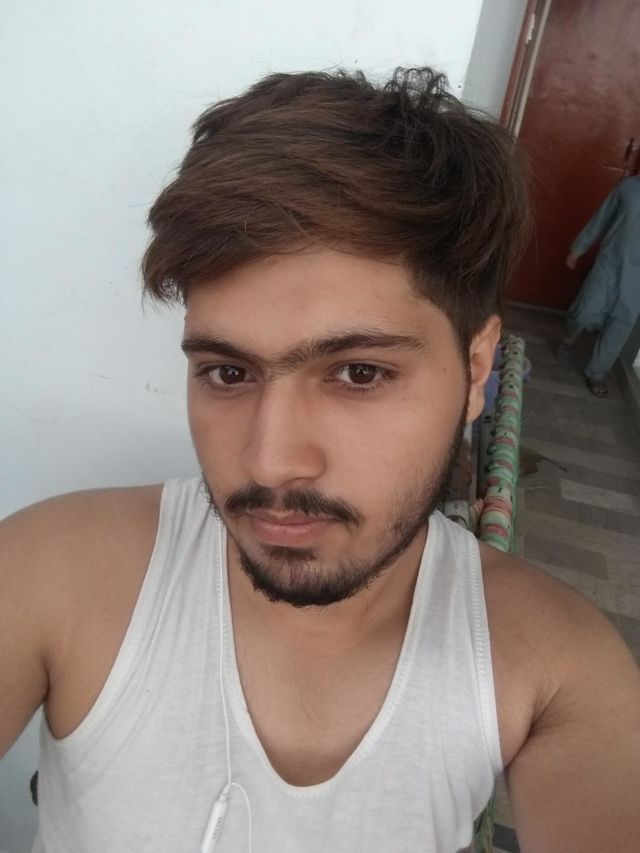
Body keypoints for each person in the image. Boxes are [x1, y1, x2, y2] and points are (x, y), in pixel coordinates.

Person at [1, 68, 639, 853]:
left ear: (476, 371)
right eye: (227, 372)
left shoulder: (557, 673)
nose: (270, 462)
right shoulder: (50, 571)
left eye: (359, 372)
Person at [560, 174, 640, 397]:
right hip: (610, 263)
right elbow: (601, 218)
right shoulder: (629, 187)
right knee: (584, 312)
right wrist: (579, 248)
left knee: (621, 324)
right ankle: (570, 334)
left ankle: (597, 373)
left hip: (638, 277)